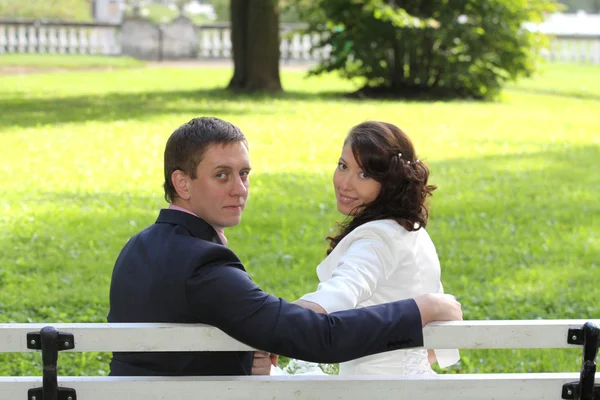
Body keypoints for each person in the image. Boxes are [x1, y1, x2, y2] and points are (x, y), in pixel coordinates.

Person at [107, 117, 462, 377]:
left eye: (244, 174)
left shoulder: (136, 249)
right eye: (222, 175)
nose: (240, 189)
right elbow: (321, 337)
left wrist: (253, 354)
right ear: (182, 182)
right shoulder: (202, 264)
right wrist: (421, 308)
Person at [292, 121, 460, 375]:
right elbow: (443, 331)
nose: (345, 183)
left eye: (364, 174)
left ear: (390, 182)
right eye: (343, 166)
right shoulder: (413, 232)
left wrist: (267, 322)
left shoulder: (376, 240)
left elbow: (336, 296)